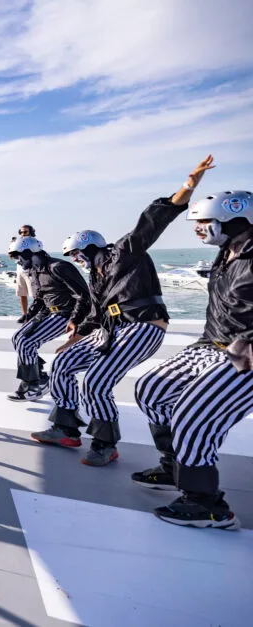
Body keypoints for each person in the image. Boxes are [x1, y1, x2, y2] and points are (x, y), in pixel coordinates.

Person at [31, 156, 215, 467]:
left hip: (144, 327)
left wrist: (189, 186)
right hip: (113, 332)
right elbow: (97, 315)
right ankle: (66, 429)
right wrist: (77, 332)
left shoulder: (124, 251)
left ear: (91, 247)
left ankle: (105, 443)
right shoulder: (96, 278)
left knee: (96, 381)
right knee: (63, 362)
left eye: (76, 253)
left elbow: (153, 221)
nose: (75, 259)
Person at [133, 179, 251, 529]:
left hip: (246, 352)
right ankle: (175, 465)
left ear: (234, 220)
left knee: (193, 413)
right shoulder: (229, 251)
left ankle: (207, 504)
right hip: (213, 342)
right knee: (152, 390)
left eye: (204, 222)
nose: (199, 230)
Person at [6, 236, 91, 401]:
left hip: (66, 313)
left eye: (18, 256)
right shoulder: (34, 271)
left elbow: (84, 295)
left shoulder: (59, 267)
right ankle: (40, 377)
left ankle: (34, 385)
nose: (17, 261)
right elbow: (40, 299)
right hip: (49, 313)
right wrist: (29, 317)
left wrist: (75, 319)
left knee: (27, 342)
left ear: (30, 252)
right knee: (18, 338)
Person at [15, 225, 38, 319]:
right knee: (21, 294)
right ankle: (25, 314)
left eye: (25, 232)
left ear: (31, 232)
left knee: (35, 295)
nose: (22, 234)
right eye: (21, 232)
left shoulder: (35, 242)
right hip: (20, 269)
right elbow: (12, 256)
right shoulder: (17, 242)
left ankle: (36, 314)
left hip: (30, 270)